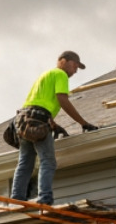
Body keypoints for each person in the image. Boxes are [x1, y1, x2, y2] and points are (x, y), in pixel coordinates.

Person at [10, 51, 98, 206]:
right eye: (74, 65)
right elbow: (62, 99)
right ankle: (45, 198)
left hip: (23, 120)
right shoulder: (60, 74)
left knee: (25, 161)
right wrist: (83, 123)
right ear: (63, 61)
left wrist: (53, 124)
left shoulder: (44, 76)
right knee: (48, 160)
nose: (75, 71)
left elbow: (38, 103)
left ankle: (16, 198)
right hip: (37, 120)